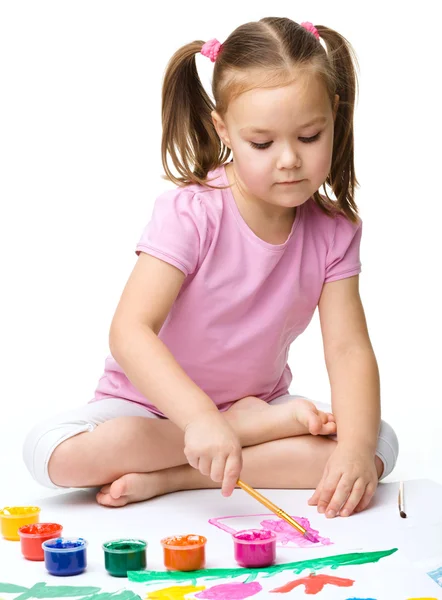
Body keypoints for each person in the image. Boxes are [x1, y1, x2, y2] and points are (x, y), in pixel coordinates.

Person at [23, 17, 398, 519]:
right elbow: (130, 331)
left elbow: (349, 349)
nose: (289, 160)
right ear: (224, 129)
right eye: (262, 144)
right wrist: (201, 419)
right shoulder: (192, 213)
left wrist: (353, 451)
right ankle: (249, 431)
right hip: (153, 410)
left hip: (257, 402)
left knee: (378, 447)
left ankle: (180, 476)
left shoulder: (334, 230)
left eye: (310, 136)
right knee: (53, 452)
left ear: (334, 116)